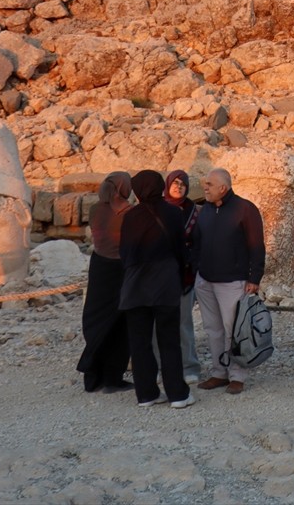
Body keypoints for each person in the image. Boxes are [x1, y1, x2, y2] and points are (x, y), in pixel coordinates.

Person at [119, 170, 194, 409]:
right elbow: (181, 249)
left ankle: (146, 394)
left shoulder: (130, 217)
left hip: (135, 285)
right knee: (168, 340)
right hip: (164, 283)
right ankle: (178, 394)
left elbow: (124, 253)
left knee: (139, 342)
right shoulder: (173, 213)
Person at [191, 168, 265, 396]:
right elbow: (197, 242)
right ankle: (218, 373)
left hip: (233, 282)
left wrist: (254, 278)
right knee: (213, 329)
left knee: (234, 330)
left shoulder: (245, 209)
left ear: (223, 187)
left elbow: (256, 246)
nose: (205, 187)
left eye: (209, 185)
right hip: (205, 281)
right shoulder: (205, 210)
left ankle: (237, 376)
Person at [77, 171, 134, 394]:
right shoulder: (129, 213)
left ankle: (93, 377)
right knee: (121, 325)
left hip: (99, 267)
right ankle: (112, 378)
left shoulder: (94, 209)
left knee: (97, 320)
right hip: (121, 269)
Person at [163, 170, 201, 385]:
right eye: (174, 183)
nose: (178, 187)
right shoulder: (160, 208)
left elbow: (199, 243)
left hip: (185, 275)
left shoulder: (194, 211)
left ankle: (189, 365)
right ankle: (161, 366)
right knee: (159, 324)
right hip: (160, 276)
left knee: (184, 323)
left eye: (182, 184)